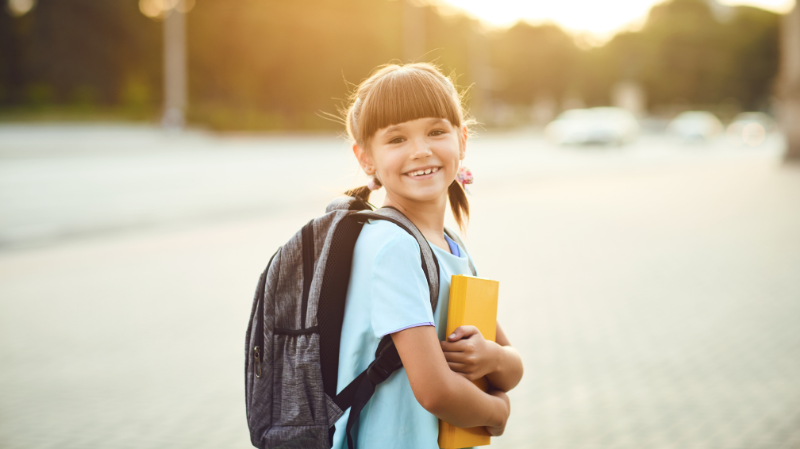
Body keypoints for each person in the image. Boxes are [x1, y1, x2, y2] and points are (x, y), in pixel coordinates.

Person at [332, 63, 524, 449]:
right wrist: (497, 413)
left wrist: (490, 358)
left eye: (436, 131)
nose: (420, 151)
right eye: (397, 139)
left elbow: (511, 366)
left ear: (462, 139)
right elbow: (435, 391)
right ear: (365, 157)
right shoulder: (392, 246)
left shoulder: (450, 245)